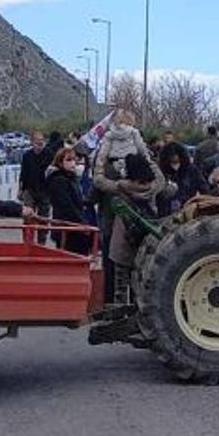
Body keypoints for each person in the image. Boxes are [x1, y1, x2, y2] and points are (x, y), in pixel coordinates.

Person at [94, 111, 172, 301]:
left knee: (116, 274)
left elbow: (98, 182)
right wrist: (147, 158)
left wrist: (114, 180)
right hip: (144, 230)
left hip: (114, 227)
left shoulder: (117, 178)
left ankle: (113, 305)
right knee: (141, 275)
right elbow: (161, 181)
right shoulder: (149, 176)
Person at [46, 147, 92, 253]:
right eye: (68, 160)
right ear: (60, 162)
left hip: (74, 229)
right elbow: (66, 206)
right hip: (67, 229)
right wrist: (82, 223)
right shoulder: (59, 180)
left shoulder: (71, 178)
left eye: (74, 160)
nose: (73, 163)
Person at [20, 131, 51, 213]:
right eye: (37, 140)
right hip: (29, 190)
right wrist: (20, 189)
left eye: (42, 140)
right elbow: (23, 174)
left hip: (45, 190)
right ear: (32, 142)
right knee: (28, 215)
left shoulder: (49, 154)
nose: (40, 142)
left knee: (44, 215)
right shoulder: (26, 155)